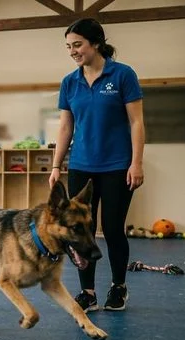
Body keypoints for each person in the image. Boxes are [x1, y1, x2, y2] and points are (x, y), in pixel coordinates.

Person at [49, 18, 145, 312]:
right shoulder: (70, 82)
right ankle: (87, 292)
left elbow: (137, 121)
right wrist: (56, 166)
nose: (72, 51)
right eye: (68, 46)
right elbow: (66, 127)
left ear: (96, 43)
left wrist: (136, 162)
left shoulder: (123, 75)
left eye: (77, 44)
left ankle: (118, 287)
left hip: (118, 166)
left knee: (113, 229)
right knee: (81, 230)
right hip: (81, 165)